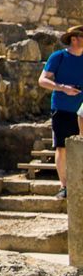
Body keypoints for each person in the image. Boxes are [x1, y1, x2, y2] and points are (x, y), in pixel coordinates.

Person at [38, 25, 83, 199]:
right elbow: (42, 80)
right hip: (62, 107)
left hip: (81, 110)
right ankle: (64, 186)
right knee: (62, 147)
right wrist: (63, 88)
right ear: (74, 38)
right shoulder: (58, 57)